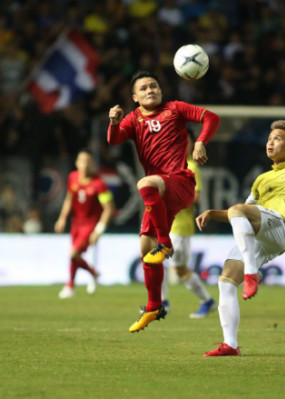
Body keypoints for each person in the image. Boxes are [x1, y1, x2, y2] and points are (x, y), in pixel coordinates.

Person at [196, 120, 285, 356]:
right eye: (269, 138)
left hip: (279, 225)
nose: (270, 142)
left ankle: (251, 273)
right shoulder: (262, 179)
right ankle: (231, 344)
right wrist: (212, 214)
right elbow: (241, 215)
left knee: (238, 210)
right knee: (225, 281)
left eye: (277, 138)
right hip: (259, 237)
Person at [108, 70, 220, 333]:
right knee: (146, 252)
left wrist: (201, 142)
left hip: (180, 182)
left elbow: (211, 118)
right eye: (144, 88)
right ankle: (154, 306)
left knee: (146, 183)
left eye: (154, 86)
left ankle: (165, 242)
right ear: (134, 97)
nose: (150, 90)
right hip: (159, 194)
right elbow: (113, 140)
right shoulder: (133, 119)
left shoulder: (175, 109)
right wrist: (113, 122)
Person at [161, 130, 216, 319]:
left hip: (180, 226)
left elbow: (195, 196)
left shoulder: (191, 167)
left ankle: (206, 301)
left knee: (180, 269)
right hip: (165, 224)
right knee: (155, 261)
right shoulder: (167, 166)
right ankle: (162, 302)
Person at [54, 149, 115, 299]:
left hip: (90, 224)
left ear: (92, 164)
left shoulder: (99, 184)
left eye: (88, 161)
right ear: (77, 163)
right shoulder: (72, 178)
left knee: (73, 254)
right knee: (74, 256)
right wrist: (62, 218)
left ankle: (70, 285)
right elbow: (69, 199)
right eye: (82, 161)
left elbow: (109, 208)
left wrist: (98, 229)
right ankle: (92, 274)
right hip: (76, 222)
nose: (85, 165)